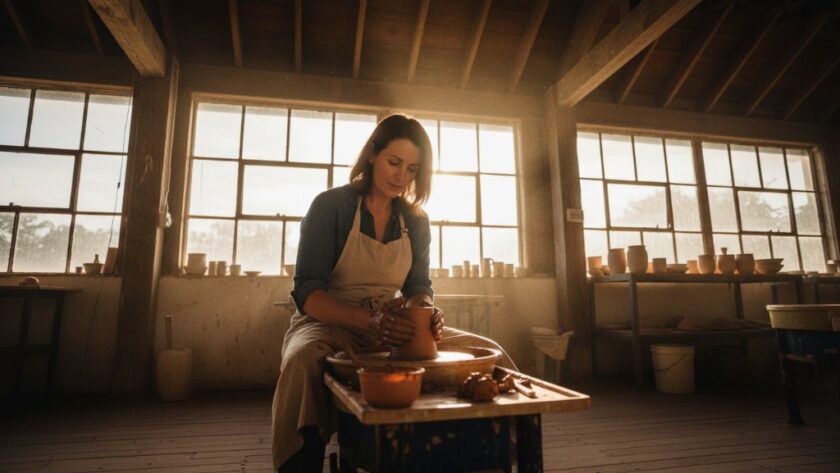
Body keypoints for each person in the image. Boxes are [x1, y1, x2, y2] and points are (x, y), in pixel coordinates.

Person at [271, 114, 514, 472]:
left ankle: (494, 452)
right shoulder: (331, 206)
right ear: (372, 155)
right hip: (326, 323)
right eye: (394, 162)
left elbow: (418, 288)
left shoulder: (415, 220)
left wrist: (425, 312)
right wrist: (370, 321)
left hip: (391, 324)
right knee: (301, 361)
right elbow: (308, 294)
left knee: (491, 355)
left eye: (412, 169)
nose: (402, 177)